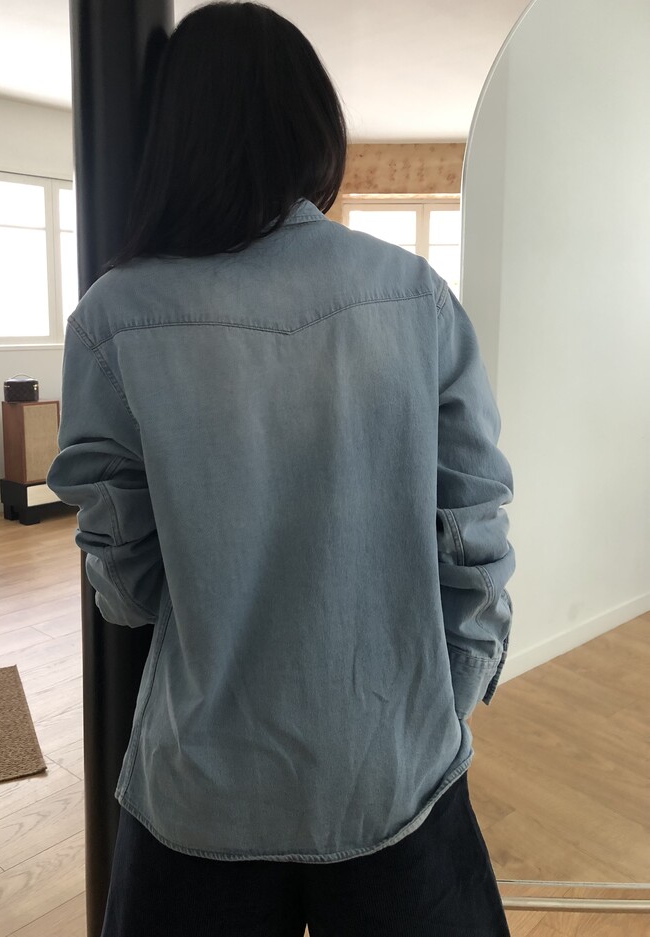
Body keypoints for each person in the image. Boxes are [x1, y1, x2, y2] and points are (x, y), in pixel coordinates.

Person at [47, 2, 515, 934]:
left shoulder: (111, 317)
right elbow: (474, 534)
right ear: (313, 127)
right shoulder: (415, 295)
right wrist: (443, 696)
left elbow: (126, 584)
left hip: (202, 788)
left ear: (171, 138)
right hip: (393, 770)